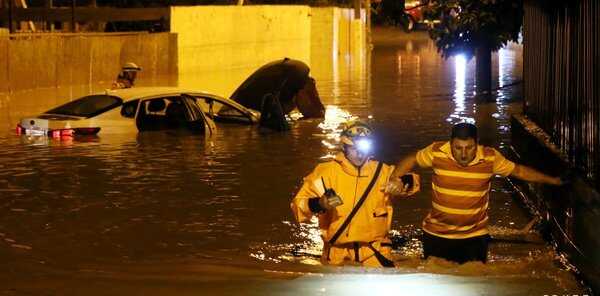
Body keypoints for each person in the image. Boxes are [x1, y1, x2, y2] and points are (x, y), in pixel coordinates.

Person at [384, 122, 563, 264]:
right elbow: (412, 158)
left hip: (474, 238)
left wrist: (553, 181)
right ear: (450, 144)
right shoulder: (437, 152)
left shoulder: (490, 158)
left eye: (468, 148)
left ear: (476, 145)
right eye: (457, 148)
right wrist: (395, 178)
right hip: (436, 235)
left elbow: (520, 172)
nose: (463, 154)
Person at [291, 121, 420, 267]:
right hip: (336, 253)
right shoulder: (326, 173)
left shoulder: (382, 172)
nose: (359, 153)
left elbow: (414, 181)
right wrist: (319, 204)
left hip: (375, 252)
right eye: (354, 148)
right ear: (344, 147)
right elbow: (298, 207)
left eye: (363, 148)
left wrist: (401, 181)